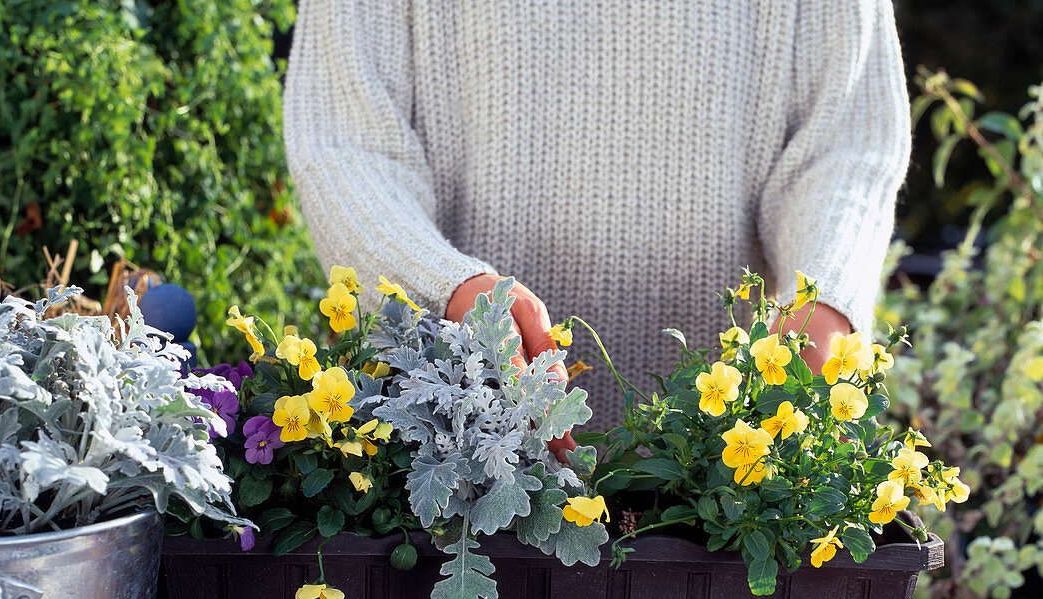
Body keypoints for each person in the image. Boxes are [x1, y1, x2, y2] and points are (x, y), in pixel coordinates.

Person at [283, 1, 910, 431]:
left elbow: (844, 142)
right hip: (456, 443)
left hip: (724, 477)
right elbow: (350, 140)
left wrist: (819, 303)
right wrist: (440, 289)